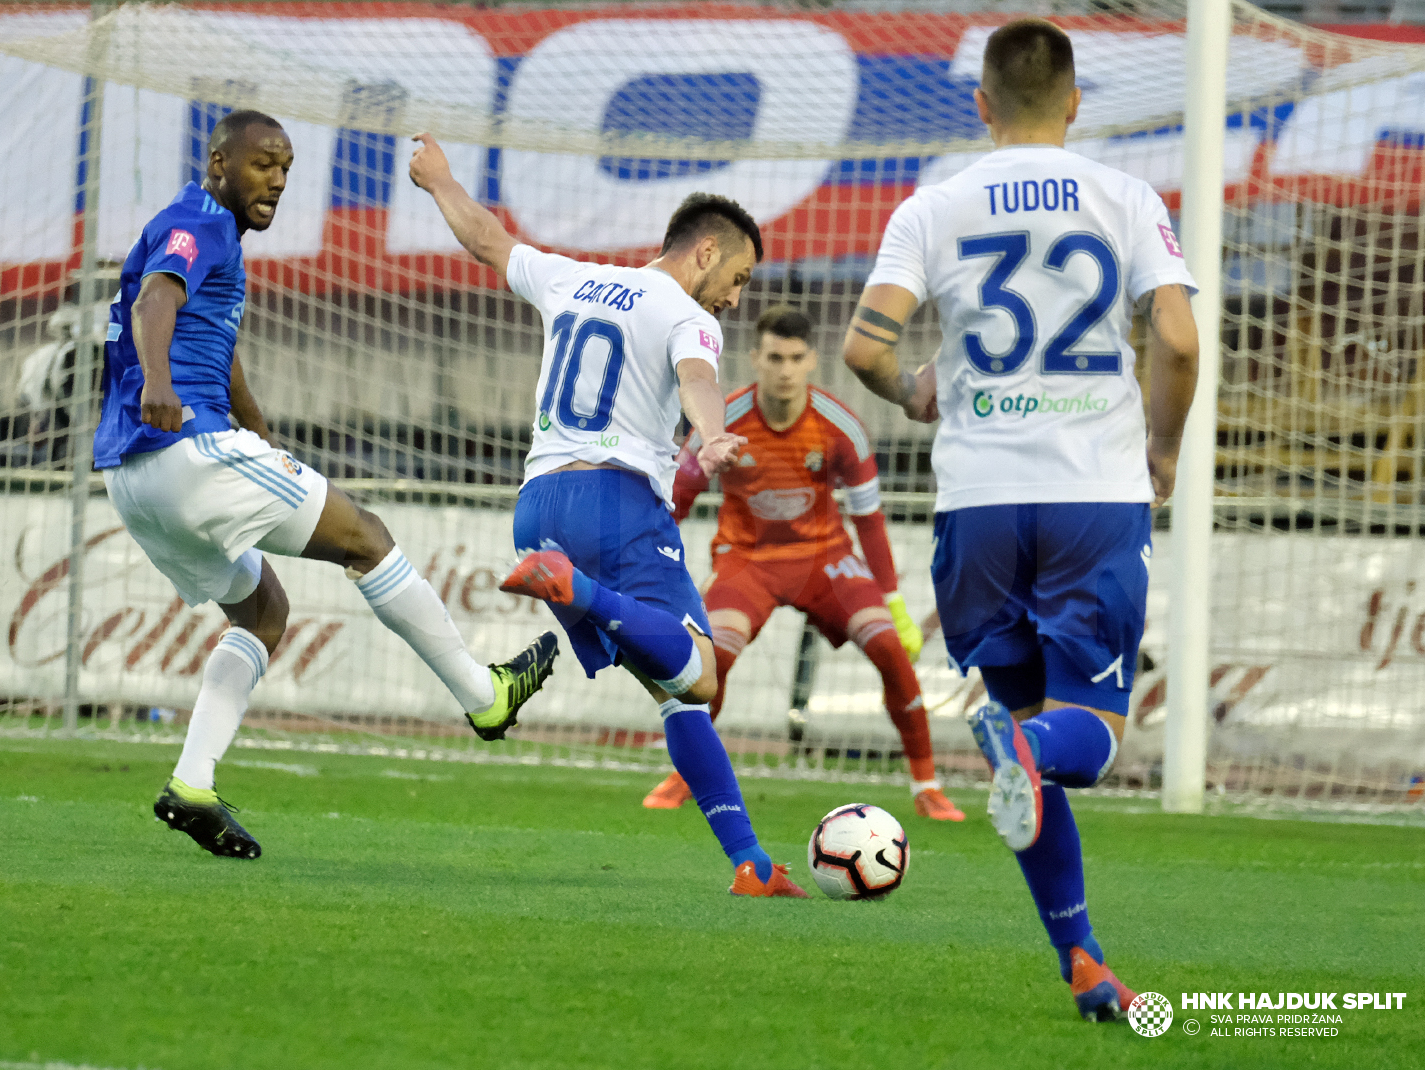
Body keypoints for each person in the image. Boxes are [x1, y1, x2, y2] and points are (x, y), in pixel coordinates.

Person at [840, 20, 1200, 1019]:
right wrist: (1161, 450)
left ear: (981, 103)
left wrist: (919, 388)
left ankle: (1083, 961)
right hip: (1092, 490)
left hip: (979, 500)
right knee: (1081, 734)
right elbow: (1175, 337)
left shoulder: (933, 205)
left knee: (1022, 740)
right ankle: (1022, 750)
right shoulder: (1126, 199)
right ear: (1075, 101)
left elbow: (863, 350)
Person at [96, 110, 558, 860]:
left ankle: (191, 784)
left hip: (132, 476)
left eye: (285, 166)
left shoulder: (211, 237)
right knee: (365, 539)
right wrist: (156, 381)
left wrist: (258, 428)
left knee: (263, 609)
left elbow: (213, 346)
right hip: (185, 448)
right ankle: (483, 695)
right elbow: (156, 302)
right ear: (219, 164)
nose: (276, 178)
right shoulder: (199, 222)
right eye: (260, 163)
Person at [409, 133, 807, 898]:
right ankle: (573, 587)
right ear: (706, 250)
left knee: (675, 694)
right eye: (738, 277)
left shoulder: (574, 279)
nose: (735, 296)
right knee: (703, 671)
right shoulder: (685, 312)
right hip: (614, 504)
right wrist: (712, 430)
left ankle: (751, 864)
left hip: (538, 505)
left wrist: (440, 181)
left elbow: (488, 239)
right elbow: (698, 373)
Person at [645, 305, 964, 822]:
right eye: (774, 357)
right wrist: (655, 568)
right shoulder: (719, 422)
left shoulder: (841, 428)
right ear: (755, 359)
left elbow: (869, 519)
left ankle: (927, 785)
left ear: (812, 359)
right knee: (712, 659)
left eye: (795, 358)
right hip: (747, 560)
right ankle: (687, 773)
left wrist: (893, 599)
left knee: (889, 646)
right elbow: (676, 501)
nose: (786, 369)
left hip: (824, 559)